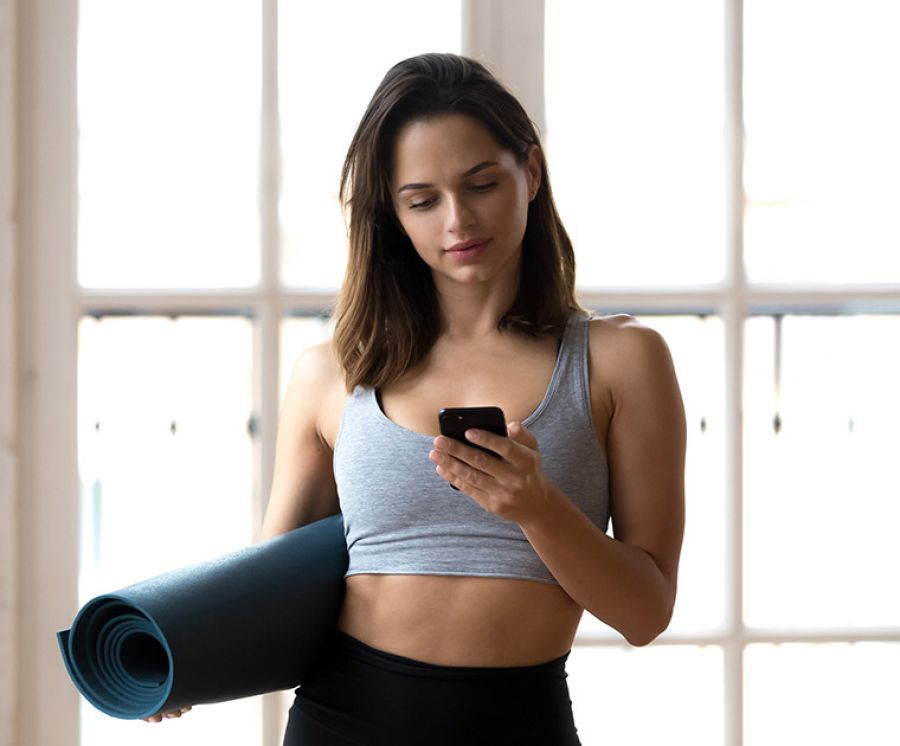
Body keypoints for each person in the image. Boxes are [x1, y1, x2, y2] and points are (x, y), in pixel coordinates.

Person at [149, 52, 686, 743]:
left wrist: (538, 508)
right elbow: (268, 589)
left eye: (482, 183)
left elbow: (646, 613)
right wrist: (185, 654)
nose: (457, 220)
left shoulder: (622, 362)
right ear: (392, 214)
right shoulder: (333, 374)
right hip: (342, 719)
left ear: (531, 171)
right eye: (422, 200)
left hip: (520, 723)